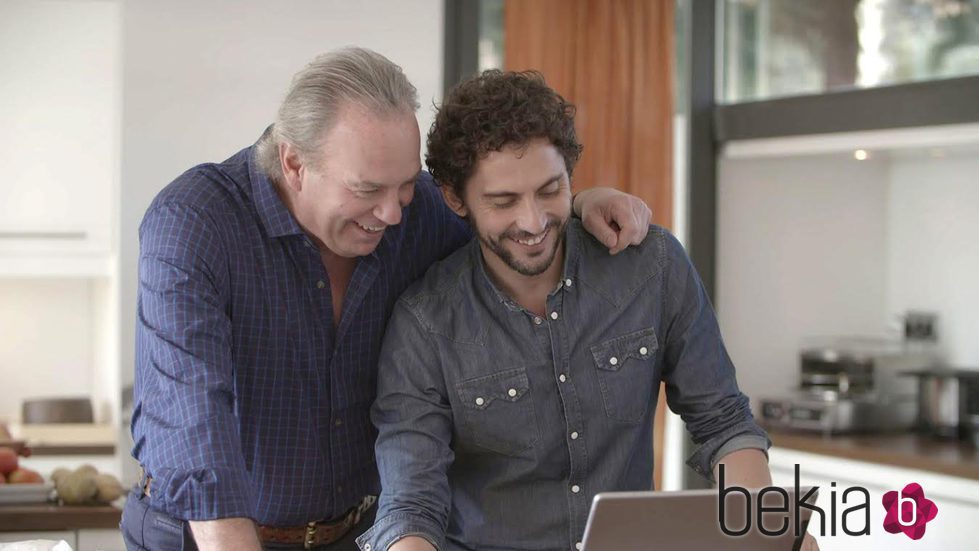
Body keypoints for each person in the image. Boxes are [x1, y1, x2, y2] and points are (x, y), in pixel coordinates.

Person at [122, 48, 652, 551]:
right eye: (368, 189)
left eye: (403, 186)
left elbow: (510, 224)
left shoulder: (417, 212)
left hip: (358, 534)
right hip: (203, 536)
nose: (392, 214)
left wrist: (582, 203)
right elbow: (193, 422)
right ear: (294, 164)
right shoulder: (193, 224)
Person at [357, 70, 781, 551]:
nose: (533, 221)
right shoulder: (425, 323)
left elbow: (722, 420)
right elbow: (412, 504)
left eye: (550, 189)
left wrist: (763, 530)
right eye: (503, 201)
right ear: (456, 198)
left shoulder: (651, 267)